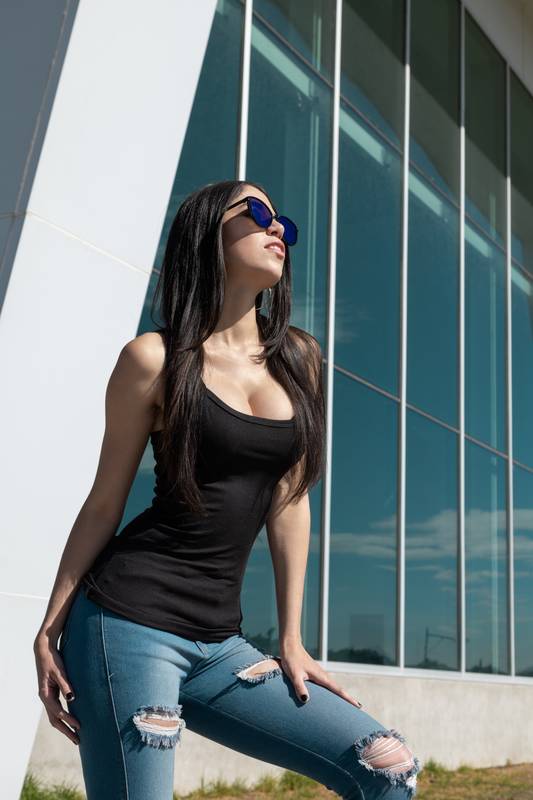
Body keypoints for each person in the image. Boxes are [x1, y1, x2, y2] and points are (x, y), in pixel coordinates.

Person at [33, 179, 421, 800]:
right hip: (127, 623)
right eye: (258, 213)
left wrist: (291, 638)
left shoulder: (299, 359)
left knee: (387, 767)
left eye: (284, 222)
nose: (278, 229)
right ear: (207, 231)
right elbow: (105, 502)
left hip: (220, 642)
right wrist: (50, 626)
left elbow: (290, 499)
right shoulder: (155, 359)